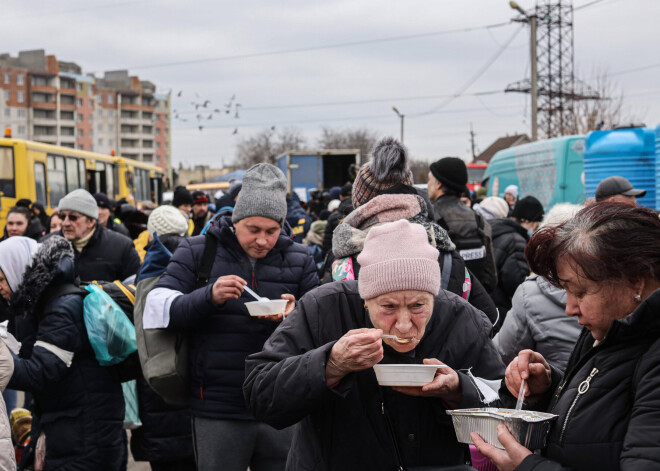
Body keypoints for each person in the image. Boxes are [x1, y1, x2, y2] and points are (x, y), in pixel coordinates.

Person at [244, 220, 505, 470]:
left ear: (434, 298)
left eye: (417, 306)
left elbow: (503, 410)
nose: (404, 325)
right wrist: (331, 364)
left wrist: (458, 390)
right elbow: (260, 395)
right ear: (365, 299)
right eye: (389, 307)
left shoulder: (463, 320)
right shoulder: (324, 309)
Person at [144, 163, 319, 471]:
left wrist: (295, 314)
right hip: (216, 405)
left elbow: (319, 323)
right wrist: (208, 297)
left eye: (272, 231)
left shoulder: (298, 256)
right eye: (254, 230)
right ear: (236, 219)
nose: (263, 241)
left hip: (282, 403)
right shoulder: (198, 250)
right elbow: (157, 309)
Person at [472, 202, 660, 471]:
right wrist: (549, 387)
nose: (570, 308)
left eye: (581, 292)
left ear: (636, 282)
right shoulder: (607, 330)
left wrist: (528, 467)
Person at [325, 138, 498, 325]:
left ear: (359, 202)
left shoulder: (343, 259)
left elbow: (322, 326)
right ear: (410, 193)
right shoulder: (443, 249)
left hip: (365, 353)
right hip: (440, 354)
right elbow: (489, 320)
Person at [1, 236, 125, 470]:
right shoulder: (40, 300)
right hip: (70, 422)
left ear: (16, 268)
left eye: (1, 279)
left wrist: (5, 363)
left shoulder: (61, 306)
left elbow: (42, 371)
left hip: (86, 430)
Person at [131, 206, 195, 471]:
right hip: (195, 384)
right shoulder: (197, 261)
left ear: (151, 234)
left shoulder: (147, 270)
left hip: (157, 383)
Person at [493, 203, 583, 373]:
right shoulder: (609, 288)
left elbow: (503, 354)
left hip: (549, 394)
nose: (572, 309)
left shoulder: (529, 294)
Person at [427, 157, 498, 292]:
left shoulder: (429, 221)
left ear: (438, 184)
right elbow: (491, 278)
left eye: (430, 179)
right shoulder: (480, 221)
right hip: (476, 302)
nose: (428, 184)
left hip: (443, 304)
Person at [47, 189, 141, 283]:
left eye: (73, 217)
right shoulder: (45, 246)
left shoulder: (122, 247)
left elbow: (134, 290)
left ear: (91, 222)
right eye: (62, 217)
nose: (65, 223)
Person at [487, 195, 544, 323]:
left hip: (488, 304)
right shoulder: (516, 241)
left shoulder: (495, 229)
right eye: (536, 226)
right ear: (526, 221)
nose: (535, 231)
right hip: (502, 309)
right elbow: (517, 285)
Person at [321, 182, 353, 258]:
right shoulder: (363, 213)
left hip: (339, 261)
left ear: (341, 197)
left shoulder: (333, 217)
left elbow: (327, 244)